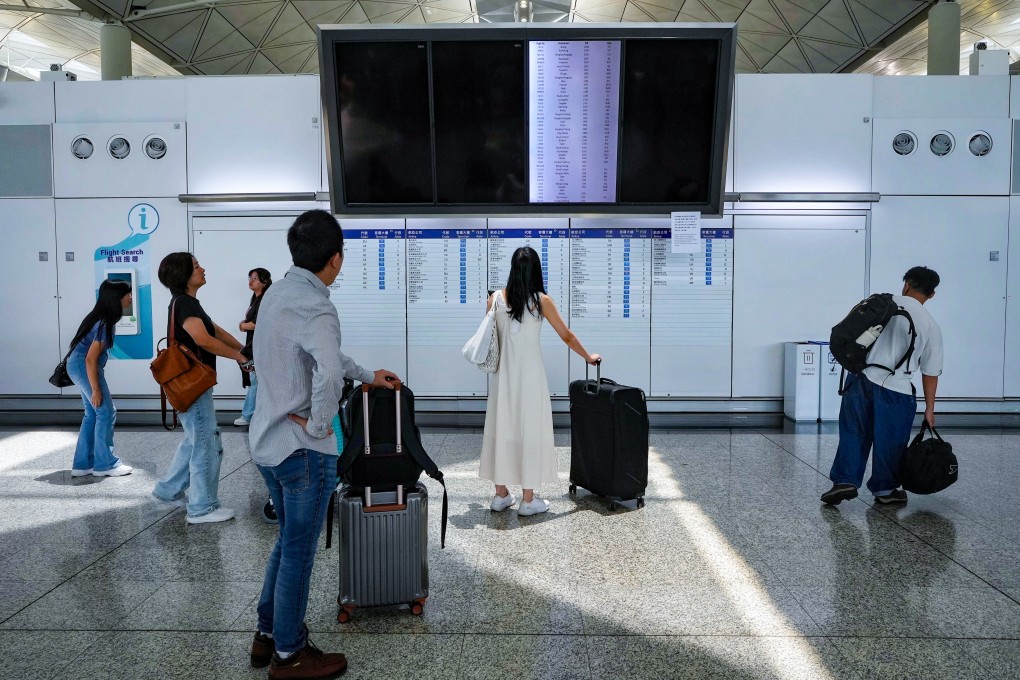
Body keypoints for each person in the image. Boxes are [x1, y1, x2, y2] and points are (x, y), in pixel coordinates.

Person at [249, 210, 398, 678]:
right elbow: (328, 372)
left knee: (286, 542)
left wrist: (369, 376)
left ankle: (268, 633)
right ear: (335, 259)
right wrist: (318, 426)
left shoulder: (277, 293)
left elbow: (327, 359)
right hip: (302, 453)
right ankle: (289, 655)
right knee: (299, 550)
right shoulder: (317, 305)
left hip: (267, 444)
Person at [480, 246, 600, 517]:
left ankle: (500, 494)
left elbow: (492, 341)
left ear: (512, 269)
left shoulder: (494, 300)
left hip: (502, 379)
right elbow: (566, 336)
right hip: (531, 379)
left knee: (502, 429)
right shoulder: (541, 301)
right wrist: (588, 356)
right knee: (530, 431)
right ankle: (528, 499)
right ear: (536, 271)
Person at [822, 266, 943, 507]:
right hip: (897, 389)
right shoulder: (930, 325)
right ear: (932, 295)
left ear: (906, 284)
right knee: (891, 439)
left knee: (853, 431)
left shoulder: (881, 304)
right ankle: (885, 489)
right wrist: (930, 409)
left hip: (860, 379)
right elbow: (930, 372)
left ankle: (844, 481)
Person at [152, 253, 252, 524]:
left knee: (194, 440)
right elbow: (202, 339)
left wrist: (243, 350)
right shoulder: (185, 303)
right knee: (207, 442)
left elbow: (216, 332)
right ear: (184, 274)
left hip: (193, 382)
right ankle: (202, 508)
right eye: (197, 266)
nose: (203, 269)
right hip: (193, 384)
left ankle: (168, 491)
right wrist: (240, 358)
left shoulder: (188, 303)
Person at [66, 279, 134, 477]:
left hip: (77, 365)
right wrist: (96, 389)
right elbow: (90, 359)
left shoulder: (101, 318)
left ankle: (83, 464)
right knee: (105, 411)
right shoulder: (105, 323)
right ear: (116, 298)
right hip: (84, 366)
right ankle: (105, 464)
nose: (130, 297)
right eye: (127, 294)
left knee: (92, 414)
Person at [235, 267, 272, 428]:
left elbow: (259, 323)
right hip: (255, 345)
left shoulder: (265, 299)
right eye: (249, 277)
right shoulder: (255, 298)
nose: (251, 280)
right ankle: (256, 414)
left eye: (255, 278)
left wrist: (243, 326)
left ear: (264, 280)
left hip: (260, 346)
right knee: (257, 380)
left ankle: (248, 415)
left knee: (256, 380)